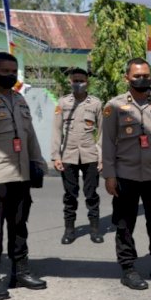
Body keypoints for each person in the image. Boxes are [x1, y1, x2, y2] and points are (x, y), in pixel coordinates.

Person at [101, 57, 151, 290]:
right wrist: (109, 175)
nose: (142, 80)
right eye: (137, 76)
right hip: (125, 176)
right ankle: (128, 268)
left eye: (146, 76)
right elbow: (106, 143)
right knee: (125, 224)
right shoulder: (114, 106)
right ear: (127, 78)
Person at [0, 52, 48, 299]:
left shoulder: (19, 99)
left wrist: (38, 162)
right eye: (5, 71)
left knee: (19, 226)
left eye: (13, 71)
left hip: (21, 175)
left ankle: (20, 271)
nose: (10, 76)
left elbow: (30, 135)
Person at [51, 67, 103, 245]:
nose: (78, 83)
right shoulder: (63, 103)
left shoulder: (96, 104)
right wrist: (55, 156)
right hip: (68, 155)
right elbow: (56, 131)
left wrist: (101, 156)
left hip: (90, 155)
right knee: (70, 195)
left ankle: (95, 230)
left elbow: (102, 132)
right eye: (75, 80)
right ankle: (69, 230)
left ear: (87, 82)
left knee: (91, 194)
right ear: (70, 82)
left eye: (81, 80)